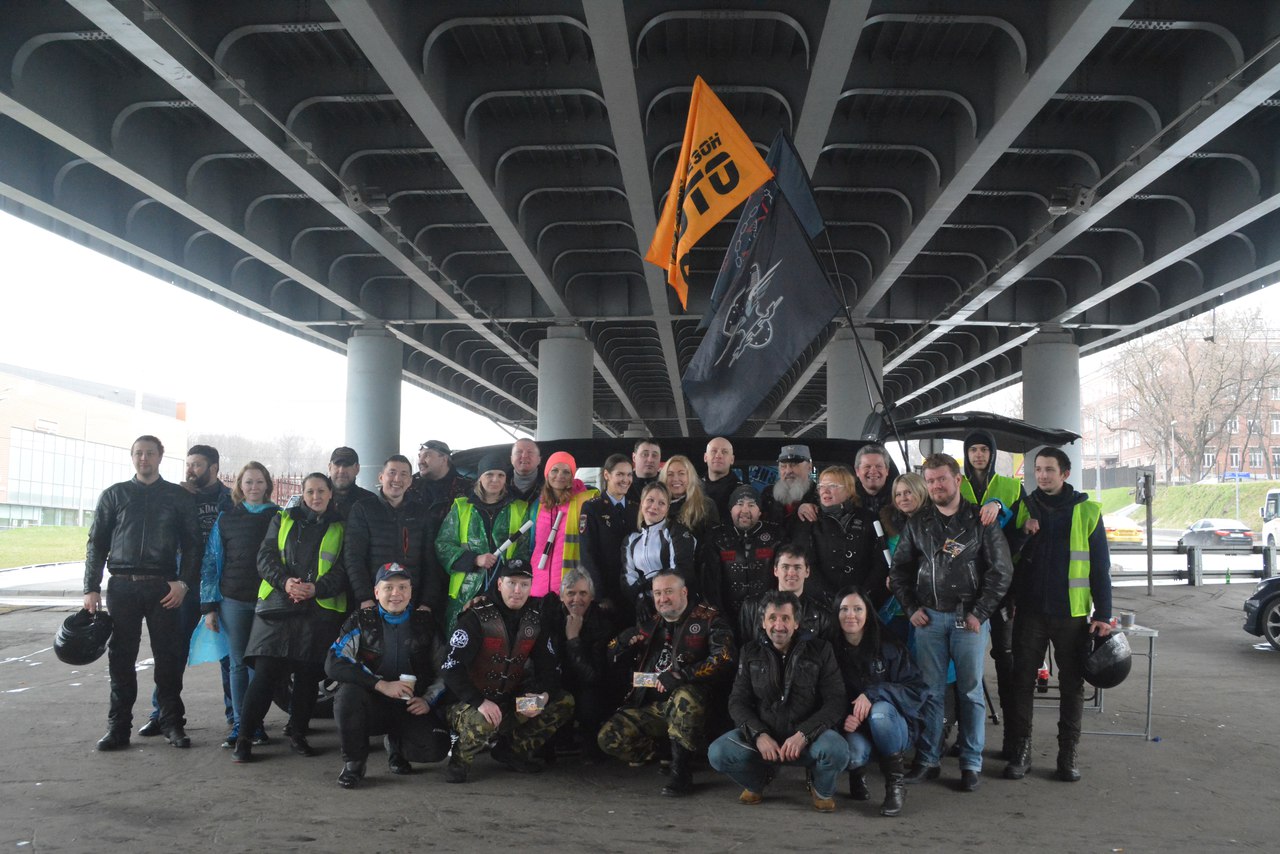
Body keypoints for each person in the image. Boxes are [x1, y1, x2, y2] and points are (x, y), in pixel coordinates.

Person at [889, 453, 1013, 791]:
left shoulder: (981, 520)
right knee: (930, 692)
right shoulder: (918, 523)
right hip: (927, 620)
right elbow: (899, 570)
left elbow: (1001, 571)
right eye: (930, 481)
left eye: (941, 479)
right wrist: (911, 607)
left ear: (957, 480)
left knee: (970, 693)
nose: (935, 486)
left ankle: (971, 762)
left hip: (968, 620)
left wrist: (980, 612)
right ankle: (928, 759)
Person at [83, 435, 201, 751]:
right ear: (132, 456)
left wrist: (183, 583)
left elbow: (194, 545)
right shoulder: (114, 495)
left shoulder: (178, 497)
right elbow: (96, 543)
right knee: (121, 658)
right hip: (122, 586)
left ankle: (172, 723)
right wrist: (91, 587)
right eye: (139, 453)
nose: (144, 458)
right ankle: (118, 728)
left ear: (161, 456)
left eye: (150, 453)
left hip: (164, 587)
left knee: (168, 657)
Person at [1003, 447, 1112, 783]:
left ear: (1065, 473)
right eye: (1038, 469)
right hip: (1029, 611)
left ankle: (1068, 754)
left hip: (1071, 613)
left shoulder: (1088, 510)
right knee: (1022, 683)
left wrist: (1104, 614)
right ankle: (1021, 751)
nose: (1042, 475)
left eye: (1049, 469)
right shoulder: (1023, 507)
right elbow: (1003, 553)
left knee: (1072, 685)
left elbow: (1100, 567)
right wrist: (1022, 532)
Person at [233, 472, 350, 763]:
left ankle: (298, 733)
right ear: (302, 493)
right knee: (265, 674)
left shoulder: (342, 526)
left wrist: (316, 588)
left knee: (308, 676)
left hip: (318, 609)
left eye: (321, 491)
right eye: (310, 491)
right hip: (277, 607)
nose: (316, 497)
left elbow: (343, 568)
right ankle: (244, 738)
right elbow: (265, 558)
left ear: (330, 493)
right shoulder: (282, 519)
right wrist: (286, 583)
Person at [597, 567, 736, 796]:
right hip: (654, 706)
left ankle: (681, 771)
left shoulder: (710, 618)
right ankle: (665, 752)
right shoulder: (651, 624)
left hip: (699, 709)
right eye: (658, 593)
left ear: (684, 592)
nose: (663, 599)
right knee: (608, 737)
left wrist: (683, 676)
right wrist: (620, 644)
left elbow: (724, 659)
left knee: (685, 697)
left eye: (669, 591)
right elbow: (612, 656)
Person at [709, 591, 849, 812]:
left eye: (785, 618)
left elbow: (836, 701)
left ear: (796, 623)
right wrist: (759, 735)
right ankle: (758, 781)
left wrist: (804, 734)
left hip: (808, 741)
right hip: (765, 741)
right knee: (718, 753)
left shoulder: (821, 650)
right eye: (772, 618)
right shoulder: (749, 652)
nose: (779, 625)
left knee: (838, 750)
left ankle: (821, 789)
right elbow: (737, 701)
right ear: (763, 623)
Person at [439, 559, 575, 783]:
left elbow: (549, 668)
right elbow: (450, 666)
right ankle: (460, 760)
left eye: (524, 584)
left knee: (563, 701)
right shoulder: (476, 617)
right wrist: (479, 702)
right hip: (469, 704)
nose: (517, 590)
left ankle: (512, 751)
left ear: (531, 587)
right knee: (484, 719)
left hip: (509, 703)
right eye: (512, 583)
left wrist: (544, 695)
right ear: (500, 584)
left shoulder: (535, 619)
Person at [326, 563, 451, 788]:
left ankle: (397, 748)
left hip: (410, 705)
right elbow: (334, 661)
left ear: (411, 592)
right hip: (373, 703)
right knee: (347, 695)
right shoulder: (361, 620)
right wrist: (381, 685)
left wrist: (428, 700)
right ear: (376, 592)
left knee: (436, 747)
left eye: (403, 587)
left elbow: (446, 668)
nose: (396, 593)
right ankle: (354, 763)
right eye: (389, 587)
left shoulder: (426, 623)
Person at [139, 443, 234, 738]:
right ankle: (162, 713)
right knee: (172, 652)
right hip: (185, 584)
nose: (190, 470)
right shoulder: (176, 496)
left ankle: (237, 716)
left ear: (214, 468)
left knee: (229, 654)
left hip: (222, 584)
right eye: (188, 464)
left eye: (197, 465)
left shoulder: (231, 499)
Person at [960, 430, 1035, 759]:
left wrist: (1003, 512)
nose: (979, 455)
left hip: (1002, 588)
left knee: (1006, 660)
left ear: (992, 454)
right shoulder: (955, 484)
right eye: (973, 450)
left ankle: (1014, 740)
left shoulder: (1011, 487)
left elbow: (1026, 530)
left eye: (984, 449)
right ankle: (961, 733)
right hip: (963, 589)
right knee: (961, 666)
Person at [199, 461, 277, 748]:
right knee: (237, 664)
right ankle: (241, 725)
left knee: (261, 667)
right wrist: (209, 606)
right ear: (240, 486)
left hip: (267, 601)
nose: (254, 487)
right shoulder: (226, 518)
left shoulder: (279, 517)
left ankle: (255, 723)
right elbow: (210, 561)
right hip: (232, 600)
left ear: (267, 485)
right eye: (248, 482)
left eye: (259, 481)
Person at [834, 588, 930, 817]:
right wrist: (844, 717)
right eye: (844, 609)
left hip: (892, 724)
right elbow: (825, 694)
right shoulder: (830, 649)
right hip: (856, 727)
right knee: (853, 754)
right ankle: (857, 773)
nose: (850, 615)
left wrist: (873, 694)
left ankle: (895, 786)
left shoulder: (889, 645)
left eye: (858, 609)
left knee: (880, 712)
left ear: (868, 613)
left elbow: (916, 690)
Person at [435, 448, 531, 633]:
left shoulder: (519, 508)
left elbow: (524, 549)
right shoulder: (461, 507)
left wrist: (509, 576)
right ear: (480, 477)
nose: (495, 479)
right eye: (489, 474)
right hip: (466, 592)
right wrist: (475, 559)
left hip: (505, 592)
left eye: (501, 475)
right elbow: (442, 545)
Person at [344, 455, 444, 616]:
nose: (397, 479)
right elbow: (353, 557)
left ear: (410, 481)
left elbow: (431, 561)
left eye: (403, 474)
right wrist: (364, 598)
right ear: (381, 477)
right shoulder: (363, 509)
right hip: (373, 602)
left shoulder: (421, 513)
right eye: (392, 472)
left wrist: (427, 602)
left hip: (412, 602)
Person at [544, 568, 618, 757]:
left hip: (590, 688)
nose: (577, 599)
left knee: (589, 701)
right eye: (571, 593)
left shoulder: (603, 623)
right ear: (562, 597)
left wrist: (573, 640)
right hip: (557, 683)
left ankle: (590, 741)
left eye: (583, 593)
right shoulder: (550, 617)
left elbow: (593, 677)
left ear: (592, 597)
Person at [794, 465, 885, 607]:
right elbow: (805, 565)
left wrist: (862, 596)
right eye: (821, 486)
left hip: (862, 603)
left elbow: (880, 563)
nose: (825, 490)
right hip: (820, 605)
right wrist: (832, 599)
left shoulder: (869, 519)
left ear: (849, 490)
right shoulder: (809, 520)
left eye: (832, 486)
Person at [699, 484, 782, 624]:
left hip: (768, 616)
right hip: (726, 616)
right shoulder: (716, 537)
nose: (745, 510)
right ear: (730, 509)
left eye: (751, 505)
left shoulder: (776, 536)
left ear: (760, 511)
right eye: (739, 504)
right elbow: (709, 582)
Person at [528, 452, 598, 598]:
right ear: (547, 474)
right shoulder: (537, 506)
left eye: (566, 472)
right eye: (554, 470)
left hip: (571, 588)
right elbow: (532, 545)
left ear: (572, 476)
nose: (560, 475)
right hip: (537, 586)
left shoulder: (585, 502)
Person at [578, 453, 636, 624]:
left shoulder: (636, 509)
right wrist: (600, 594)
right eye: (620, 474)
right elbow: (587, 553)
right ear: (606, 475)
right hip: (606, 592)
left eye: (629, 474)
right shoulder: (591, 508)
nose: (625, 480)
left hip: (632, 591)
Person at [622, 482, 697, 613]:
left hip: (673, 603)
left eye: (661, 503)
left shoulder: (676, 532)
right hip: (644, 606)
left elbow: (680, 571)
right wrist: (640, 598)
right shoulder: (631, 539)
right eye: (650, 500)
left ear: (667, 508)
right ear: (642, 503)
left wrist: (648, 586)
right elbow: (628, 577)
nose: (654, 507)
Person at [739, 544, 833, 642]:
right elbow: (744, 648)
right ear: (775, 570)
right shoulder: (751, 607)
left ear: (807, 571)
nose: (791, 573)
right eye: (785, 567)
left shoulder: (822, 616)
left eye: (797, 567)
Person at [759, 444, 819, 535]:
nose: (788, 471)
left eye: (794, 465)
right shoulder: (768, 494)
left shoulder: (820, 496)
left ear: (809, 467)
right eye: (783, 466)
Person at [413, 439, 474, 527]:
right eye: (419, 456)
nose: (420, 461)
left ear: (444, 459)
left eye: (427, 455)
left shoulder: (466, 488)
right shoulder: (410, 485)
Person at [659, 454, 719, 541]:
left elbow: (712, 541)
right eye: (670, 474)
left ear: (690, 477)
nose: (675, 479)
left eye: (681, 473)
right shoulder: (656, 506)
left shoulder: (706, 505)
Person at [328, 446, 376, 521]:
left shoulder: (370, 501)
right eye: (337, 465)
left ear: (357, 468)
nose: (341, 471)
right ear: (330, 467)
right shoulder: (315, 498)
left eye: (347, 465)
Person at [702, 436, 742, 521]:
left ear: (732, 459)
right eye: (714, 451)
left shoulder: (741, 492)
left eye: (724, 452)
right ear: (705, 457)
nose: (718, 456)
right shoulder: (693, 488)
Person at [853, 444, 896, 519]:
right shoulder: (846, 499)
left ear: (887, 470)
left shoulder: (899, 498)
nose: (873, 471)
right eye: (867, 466)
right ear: (857, 471)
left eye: (879, 466)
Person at [626, 438, 662, 503]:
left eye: (654, 455)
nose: (650, 460)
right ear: (634, 457)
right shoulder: (624, 484)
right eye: (645, 454)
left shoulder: (667, 484)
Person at [508, 438, 543, 503]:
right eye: (519, 452)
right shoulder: (500, 486)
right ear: (511, 459)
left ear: (539, 460)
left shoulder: (550, 486)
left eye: (530, 452)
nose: (524, 456)